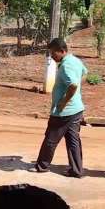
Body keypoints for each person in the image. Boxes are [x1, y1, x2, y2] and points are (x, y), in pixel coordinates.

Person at [31, 38, 88, 178]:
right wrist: (76, 95)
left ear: (62, 51)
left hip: (64, 112)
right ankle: (77, 170)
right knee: (73, 140)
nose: (52, 56)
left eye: (53, 53)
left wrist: (63, 102)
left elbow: (73, 85)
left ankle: (42, 165)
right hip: (76, 110)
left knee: (50, 138)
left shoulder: (66, 66)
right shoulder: (75, 60)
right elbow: (85, 73)